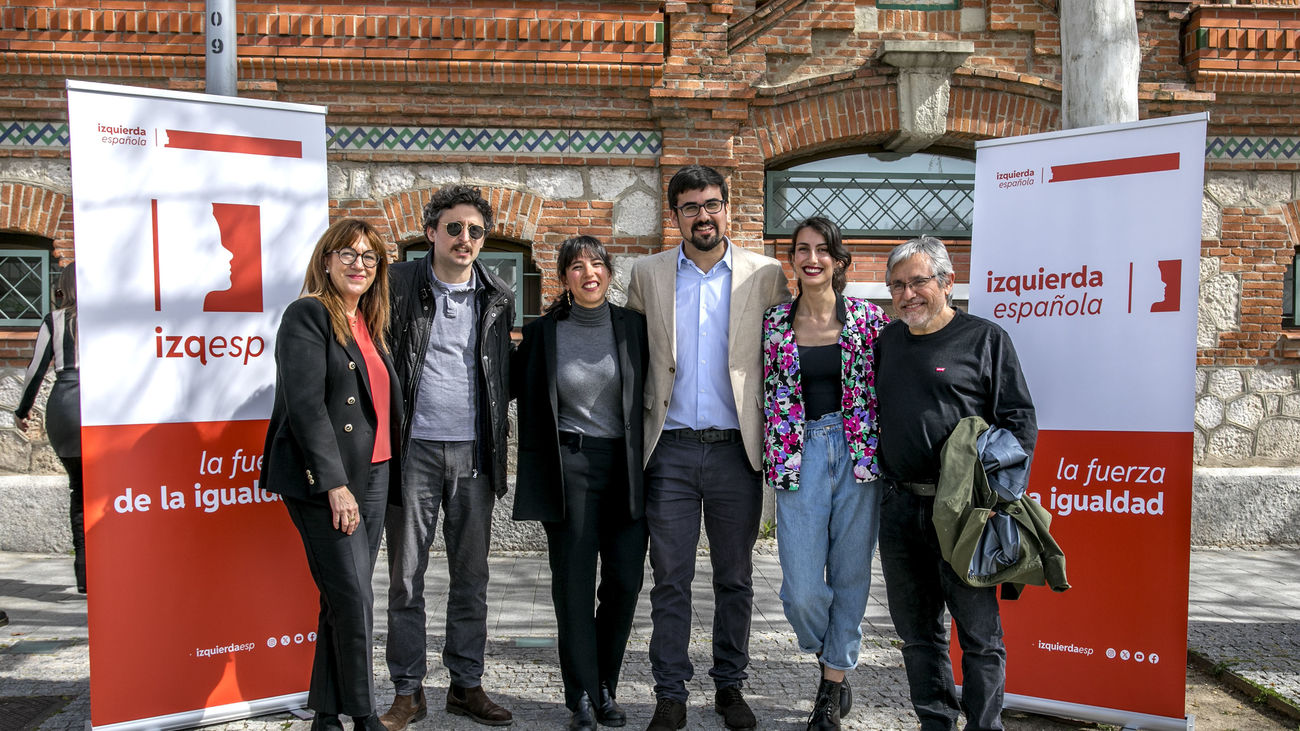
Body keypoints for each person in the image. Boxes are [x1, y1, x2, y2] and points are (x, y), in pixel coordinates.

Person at [625, 164, 790, 731]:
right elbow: (634, 359)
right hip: (668, 450)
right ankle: (670, 693)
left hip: (736, 451)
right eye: (691, 206)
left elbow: (785, 357)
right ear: (675, 215)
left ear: (727, 208)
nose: (703, 215)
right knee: (669, 579)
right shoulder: (646, 274)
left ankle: (729, 686)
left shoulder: (765, 274)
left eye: (712, 204)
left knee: (735, 578)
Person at [875, 236, 1037, 731]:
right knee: (917, 634)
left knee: (979, 636)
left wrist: (994, 497)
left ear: (946, 282)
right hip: (900, 508)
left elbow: (1019, 421)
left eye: (918, 282)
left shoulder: (985, 340)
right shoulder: (886, 342)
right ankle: (936, 722)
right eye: (897, 286)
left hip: (966, 514)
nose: (907, 295)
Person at [381, 185, 515, 729]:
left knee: (471, 577)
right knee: (406, 577)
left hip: (474, 453)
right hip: (411, 450)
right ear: (431, 231)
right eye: (454, 228)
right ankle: (407, 692)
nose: (465, 238)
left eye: (475, 231)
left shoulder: (497, 294)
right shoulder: (397, 284)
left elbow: (499, 375)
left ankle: (465, 685)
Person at [261, 218, 402, 731]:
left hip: (375, 473)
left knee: (342, 597)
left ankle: (325, 715)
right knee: (355, 597)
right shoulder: (308, 314)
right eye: (348, 253)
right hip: (328, 481)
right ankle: (363, 716)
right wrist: (334, 485)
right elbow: (305, 407)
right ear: (326, 260)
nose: (358, 264)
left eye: (369, 257)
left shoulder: (368, 321)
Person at [511, 236, 649, 731]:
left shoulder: (635, 327)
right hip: (570, 468)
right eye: (576, 266)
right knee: (573, 585)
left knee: (625, 582)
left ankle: (606, 682)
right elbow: (507, 386)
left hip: (628, 468)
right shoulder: (543, 334)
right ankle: (585, 697)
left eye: (596, 264)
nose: (588, 272)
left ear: (609, 272)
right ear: (564, 278)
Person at [761, 217, 887, 730]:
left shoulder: (870, 320)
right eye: (802, 250)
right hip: (799, 455)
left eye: (822, 250)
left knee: (852, 575)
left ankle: (831, 687)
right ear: (792, 259)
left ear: (838, 260)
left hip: (858, 455)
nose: (811, 259)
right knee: (802, 590)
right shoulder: (774, 322)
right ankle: (830, 651)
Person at [15, 264, 84, 594]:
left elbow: (35, 371)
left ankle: (85, 574)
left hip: (64, 409)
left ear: (63, 287)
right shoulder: (106, 318)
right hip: (101, 411)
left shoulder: (54, 321)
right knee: (110, 492)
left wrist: (22, 411)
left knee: (79, 491)